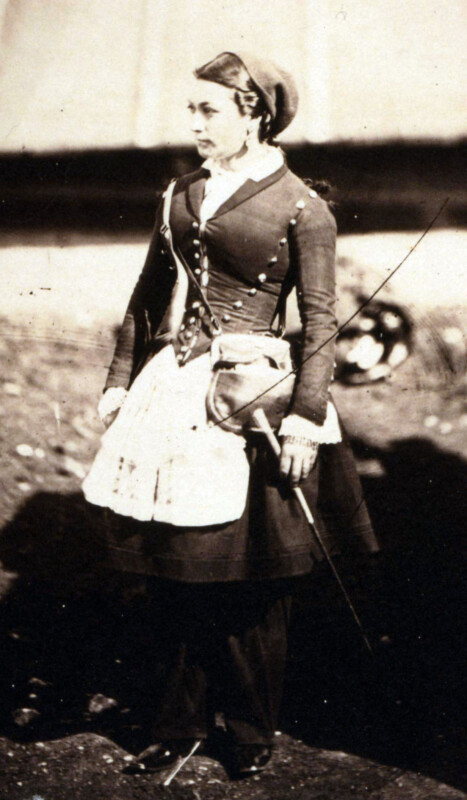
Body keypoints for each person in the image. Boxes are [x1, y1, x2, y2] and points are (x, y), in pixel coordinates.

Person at [82, 51, 378, 778]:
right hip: (175, 387)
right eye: (191, 109)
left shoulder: (302, 208)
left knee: (249, 577)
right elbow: (146, 297)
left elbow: (318, 321)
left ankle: (249, 729)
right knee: (175, 568)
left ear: (254, 113)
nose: (194, 123)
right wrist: (121, 378)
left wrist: (306, 417)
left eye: (208, 109)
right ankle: (174, 723)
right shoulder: (179, 194)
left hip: (253, 397)